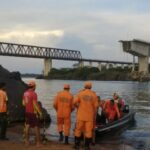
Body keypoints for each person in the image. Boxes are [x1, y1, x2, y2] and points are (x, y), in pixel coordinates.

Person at [73, 82, 98, 150]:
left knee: (78, 130)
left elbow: (74, 102)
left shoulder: (80, 93)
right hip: (89, 117)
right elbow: (96, 107)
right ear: (91, 87)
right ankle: (87, 146)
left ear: (84, 86)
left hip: (80, 116)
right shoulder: (94, 95)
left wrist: (77, 106)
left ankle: (76, 145)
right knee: (88, 131)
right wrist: (94, 116)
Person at [22, 80, 43, 147]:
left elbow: (23, 103)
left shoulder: (25, 93)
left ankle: (27, 141)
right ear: (34, 87)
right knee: (36, 127)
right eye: (35, 86)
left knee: (27, 126)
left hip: (27, 112)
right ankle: (38, 143)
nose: (35, 87)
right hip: (33, 113)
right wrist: (40, 112)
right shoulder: (34, 93)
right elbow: (35, 104)